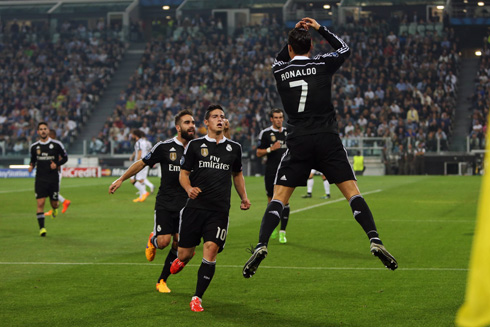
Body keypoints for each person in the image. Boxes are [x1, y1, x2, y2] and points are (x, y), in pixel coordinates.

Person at [243, 18, 397, 279]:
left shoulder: (279, 70)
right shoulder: (322, 63)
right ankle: (374, 238)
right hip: (327, 138)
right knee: (352, 193)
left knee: (279, 197)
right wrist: (318, 28)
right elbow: (345, 48)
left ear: (291, 48)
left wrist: (295, 34)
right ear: (312, 46)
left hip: (299, 141)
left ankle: (261, 245)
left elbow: (282, 57)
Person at [170, 104, 251, 312]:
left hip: (219, 210)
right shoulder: (195, 146)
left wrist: (244, 197)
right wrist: (188, 189)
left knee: (211, 248)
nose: (220, 119)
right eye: (215, 116)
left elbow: (237, 174)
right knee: (185, 253)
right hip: (195, 208)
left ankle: (197, 297)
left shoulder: (235, 148)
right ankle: (183, 260)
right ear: (206, 122)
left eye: (222, 116)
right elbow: (184, 173)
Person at [109, 110, 196, 293]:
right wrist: (121, 179)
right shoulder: (164, 147)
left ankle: (162, 280)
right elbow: (141, 163)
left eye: (193, 122)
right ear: (178, 127)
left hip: (186, 204)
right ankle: (153, 240)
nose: (192, 126)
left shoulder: (197, 149)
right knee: (164, 242)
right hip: (165, 202)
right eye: (188, 122)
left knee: (179, 244)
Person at [28, 122, 68, 236]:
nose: (43, 131)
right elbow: (33, 160)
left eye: (45, 129)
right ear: (38, 132)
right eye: (41, 129)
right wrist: (31, 166)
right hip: (40, 179)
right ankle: (42, 228)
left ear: (48, 130)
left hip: (53, 179)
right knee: (40, 203)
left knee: (54, 203)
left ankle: (55, 209)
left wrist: (57, 163)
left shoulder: (56, 144)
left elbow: (65, 157)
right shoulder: (34, 147)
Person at [256, 108, 289, 243]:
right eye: (276, 117)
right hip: (271, 171)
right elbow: (258, 153)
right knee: (271, 201)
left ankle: (282, 232)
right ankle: (273, 227)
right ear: (271, 119)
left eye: (281, 117)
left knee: (285, 200)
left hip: (286, 171)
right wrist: (271, 149)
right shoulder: (265, 133)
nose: (279, 120)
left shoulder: (288, 133)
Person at [45, 130, 71, 217]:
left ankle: (54, 209)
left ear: (52, 135)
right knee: (51, 191)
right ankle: (64, 202)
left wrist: (56, 166)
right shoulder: (52, 145)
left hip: (56, 171)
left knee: (53, 191)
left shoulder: (56, 145)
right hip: (53, 171)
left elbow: (62, 157)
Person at [129, 130, 154, 202]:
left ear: (135, 135)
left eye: (132, 135)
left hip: (140, 163)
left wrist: (137, 162)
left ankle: (144, 193)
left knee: (133, 180)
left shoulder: (139, 142)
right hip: (145, 162)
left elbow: (140, 152)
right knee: (141, 180)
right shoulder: (145, 142)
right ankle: (141, 197)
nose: (132, 136)